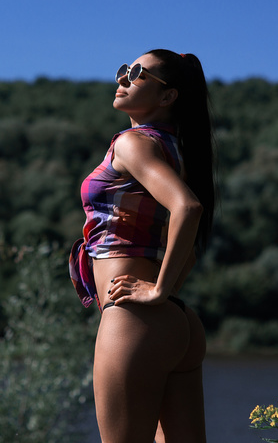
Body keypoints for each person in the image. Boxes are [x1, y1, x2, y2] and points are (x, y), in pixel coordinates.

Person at [69, 49, 217, 443]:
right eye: (124, 70)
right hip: (175, 324)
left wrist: (157, 290)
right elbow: (190, 243)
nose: (123, 78)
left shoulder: (133, 144)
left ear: (168, 97)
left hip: (134, 319)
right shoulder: (174, 148)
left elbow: (187, 208)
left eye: (138, 74)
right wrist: (167, 296)